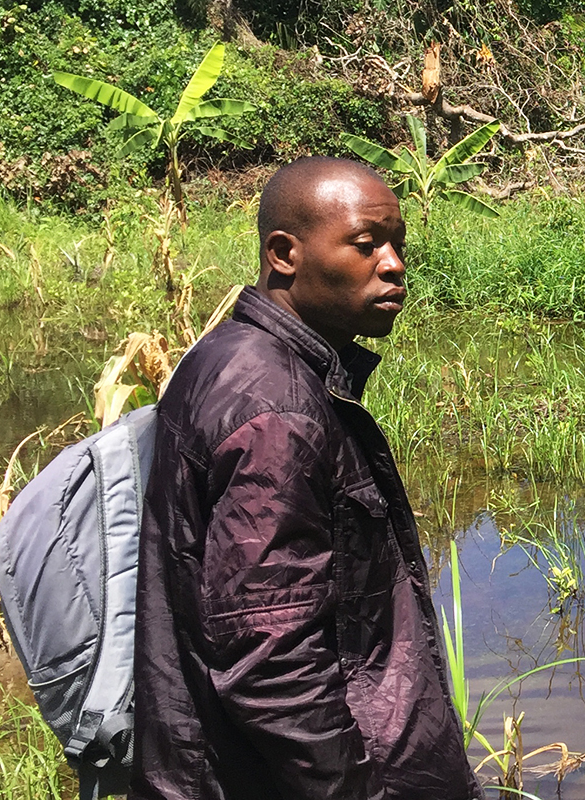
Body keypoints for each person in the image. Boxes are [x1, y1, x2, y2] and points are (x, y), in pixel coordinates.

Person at [133, 157, 477, 800]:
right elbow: (274, 658)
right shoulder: (277, 410)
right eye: (366, 243)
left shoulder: (228, 354)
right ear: (285, 254)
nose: (395, 263)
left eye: (398, 244)